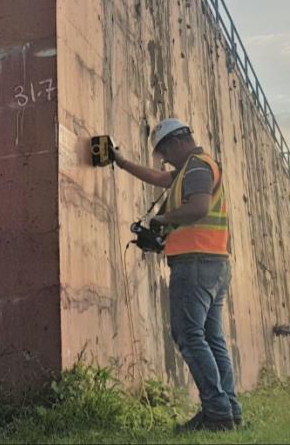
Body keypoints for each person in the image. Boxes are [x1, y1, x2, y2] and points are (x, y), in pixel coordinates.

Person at [113, 118, 242, 432]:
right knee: (212, 339)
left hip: (196, 263)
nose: (164, 159)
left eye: (164, 152)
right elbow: (158, 177)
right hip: (212, 263)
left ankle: (217, 413)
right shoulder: (192, 168)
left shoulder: (196, 168)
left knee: (187, 334)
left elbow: (197, 208)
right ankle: (229, 411)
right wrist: (122, 162)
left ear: (176, 142)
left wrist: (161, 221)